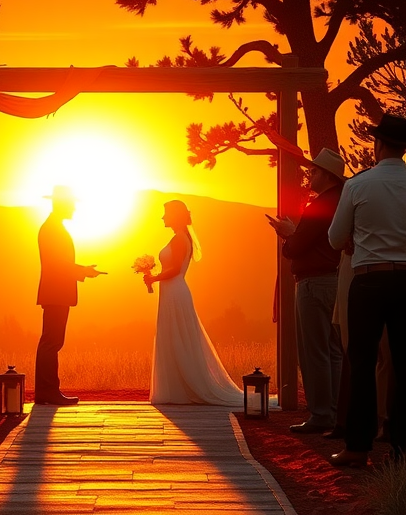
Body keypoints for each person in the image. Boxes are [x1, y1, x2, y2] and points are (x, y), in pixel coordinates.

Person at [328, 113, 406, 467]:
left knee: (362, 362)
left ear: (377, 144)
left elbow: (333, 238)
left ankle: (358, 447)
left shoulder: (358, 185)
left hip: (369, 279)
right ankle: (401, 451)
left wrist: (354, 240)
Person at [267, 148, 344, 433]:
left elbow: (298, 247)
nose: (309, 175)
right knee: (334, 350)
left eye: (313, 171)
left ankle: (321, 414)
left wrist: (289, 233)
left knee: (314, 351)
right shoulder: (342, 202)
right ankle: (335, 410)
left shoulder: (319, 206)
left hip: (313, 283)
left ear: (327, 175)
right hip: (335, 280)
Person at [145, 199, 243, 406]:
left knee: (177, 336)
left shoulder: (180, 238)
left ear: (175, 216)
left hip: (176, 291)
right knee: (172, 336)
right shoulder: (178, 237)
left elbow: (175, 269)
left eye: (166, 213)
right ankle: (176, 386)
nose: (162, 217)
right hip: (171, 291)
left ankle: (184, 387)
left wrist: (154, 277)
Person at [35, 185, 106, 405]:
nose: (74, 208)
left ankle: (47, 391)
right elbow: (57, 264)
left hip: (56, 292)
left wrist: (81, 270)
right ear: (62, 204)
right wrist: (82, 271)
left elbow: (60, 263)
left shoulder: (53, 227)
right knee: (51, 342)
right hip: (56, 292)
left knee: (52, 341)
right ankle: (47, 392)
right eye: (72, 203)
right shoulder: (52, 229)